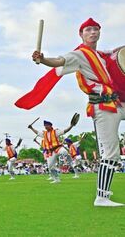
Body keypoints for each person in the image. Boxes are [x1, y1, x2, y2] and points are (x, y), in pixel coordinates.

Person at [24, 18, 125, 206]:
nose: (93, 32)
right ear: (81, 34)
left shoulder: (101, 55)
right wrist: (43, 59)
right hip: (103, 108)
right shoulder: (79, 55)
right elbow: (59, 61)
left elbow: (118, 52)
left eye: (96, 29)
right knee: (111, 154)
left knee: (112, 154)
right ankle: (102, 197)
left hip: (118, 102)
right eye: (88, 30)